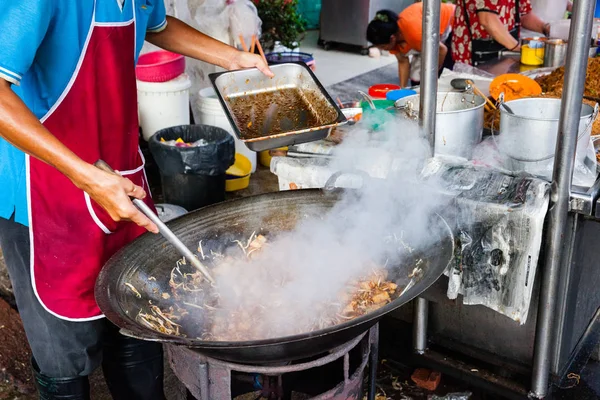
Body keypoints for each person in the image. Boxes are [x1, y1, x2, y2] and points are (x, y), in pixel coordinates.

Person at [0, 1, 272, 399]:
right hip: (43, 191)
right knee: (66, 353)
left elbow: (157, 26)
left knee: (135, 318)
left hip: (122, 177)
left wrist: (232, 58)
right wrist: (85, 177)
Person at [366, 3, 456, 87]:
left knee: (441, 78)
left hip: (452, 22)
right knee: (417, 80)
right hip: (426, 38)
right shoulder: (392, 32)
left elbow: (442, 50)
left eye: (382, 47)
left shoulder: (414, 34)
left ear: (392, 38)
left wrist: (434, 73)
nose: (383, 49)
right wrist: (402, 91)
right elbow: (402, 61)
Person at [452, 0, 551, 65]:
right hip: (473, 58)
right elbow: (487, 19)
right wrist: (519, 48)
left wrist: (546, 28)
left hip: (503, 53)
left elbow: (524, 14)